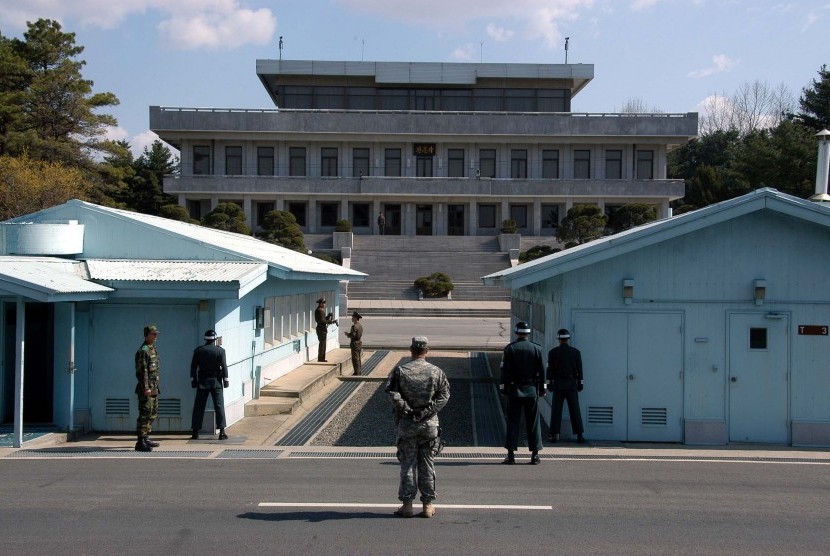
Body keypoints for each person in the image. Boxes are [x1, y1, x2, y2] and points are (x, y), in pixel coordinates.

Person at [385, 336, 450, 518]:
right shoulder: (437, 372)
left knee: (408, 464)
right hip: (429, 425)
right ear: (426, 351)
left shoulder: (400, 371)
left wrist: (407, 410)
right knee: (427, 464)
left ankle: (407, 505)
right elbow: (444, 396)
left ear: (411, 350)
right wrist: (427, 412)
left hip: (407, 425)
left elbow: (392, 393)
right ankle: (428, 505)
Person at [499, 321, 545, 465]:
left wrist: (503, 388)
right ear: (528, 333)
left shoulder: (510, 349)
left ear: (516, 332)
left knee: (513, 422)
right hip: (532, 389)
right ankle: (535, 455)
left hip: (514, 389)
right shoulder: (537, 349)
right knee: (533, 423)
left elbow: (504, 371)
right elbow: (542, 371)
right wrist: (542, 389)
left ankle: (511, 455)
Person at [547, 328, 586, 444]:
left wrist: (548, 384)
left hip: (558, 385)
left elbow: (549, 370)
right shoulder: (576, 352)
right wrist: (580, 383)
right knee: (575, 411)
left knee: (556, 411)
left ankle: (554, 435)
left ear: (559, 339)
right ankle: (579, 435)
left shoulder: (553, 352)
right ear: (568, 339)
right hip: (571, 384)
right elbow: (580, 370)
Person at [190, 329, 229, 440]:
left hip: (203, 381)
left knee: (199, 406)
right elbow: (224, 366)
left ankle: (195, 431)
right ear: (215, 339)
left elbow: (193, 367)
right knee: (219, 406)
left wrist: (193, 380)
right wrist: (226, 380)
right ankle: (221, 431)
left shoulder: (198, 350)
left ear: (205, 339)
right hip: (216, 381)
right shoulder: (220, 351)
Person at [134, 324, 161, 452]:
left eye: (156, 334)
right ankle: (140, 442)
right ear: (146, 335)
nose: (155, 336)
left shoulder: (152, 348)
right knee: (145, 414)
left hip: (153, 386)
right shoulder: (143, 350)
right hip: (146, 388)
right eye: (153, 334)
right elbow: (142, 371)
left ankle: (146, 437)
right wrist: (146, 387)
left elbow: (153, 368)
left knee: (153, 413)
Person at [314, 297, 336, 362]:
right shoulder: (320, 310)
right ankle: (321, 358)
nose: (324, 305)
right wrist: (331, 321)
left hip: (322, 328)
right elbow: (322, 321)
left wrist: (328, 316)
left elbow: (323, 319)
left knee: (323, 344)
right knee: (322, 344)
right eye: (323, 303)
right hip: (321, 329)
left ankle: (322, 358)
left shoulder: (320, 310)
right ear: (320, 304)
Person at [344, 311, 363, 375]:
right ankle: (359, 371)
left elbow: (353, 335)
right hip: (359, 342)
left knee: (355, 358)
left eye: (353, 317)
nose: (352, 318)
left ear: (355, 318)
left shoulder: (354, 326)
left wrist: (347, 334)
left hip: (355, 343)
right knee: (358, 358)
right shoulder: (360, 325)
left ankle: (357, 372)